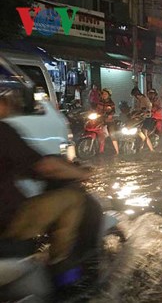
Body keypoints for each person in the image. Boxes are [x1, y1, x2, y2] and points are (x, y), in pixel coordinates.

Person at [0, 87, 90, 267]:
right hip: (7, 220)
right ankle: (60, 267)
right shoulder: (3, 131)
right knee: (74, 199)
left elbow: (24, 167)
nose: (9, 104)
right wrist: (83, 173)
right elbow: (45, 167)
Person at [95, 88, 119, 155]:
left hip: (109, 121)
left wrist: (110, 115)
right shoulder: (100, 102)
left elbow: (113, 111)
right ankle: (100, 150)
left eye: (106, 94)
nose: (104, 95)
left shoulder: (111, 103)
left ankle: (117, 152)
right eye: (103, 94)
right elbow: (97, 109)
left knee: (112, 135)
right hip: (100, 120)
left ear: (109, 95)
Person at [131, 87, 154, 151]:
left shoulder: (144, 99)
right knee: (138, 131)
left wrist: (145, 111)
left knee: (144, 133)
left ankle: (151, 149)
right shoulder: (139, 100)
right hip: (140, 118)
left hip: (147, 117)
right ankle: (141, 146)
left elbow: (149, 107)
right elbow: (137, 109)